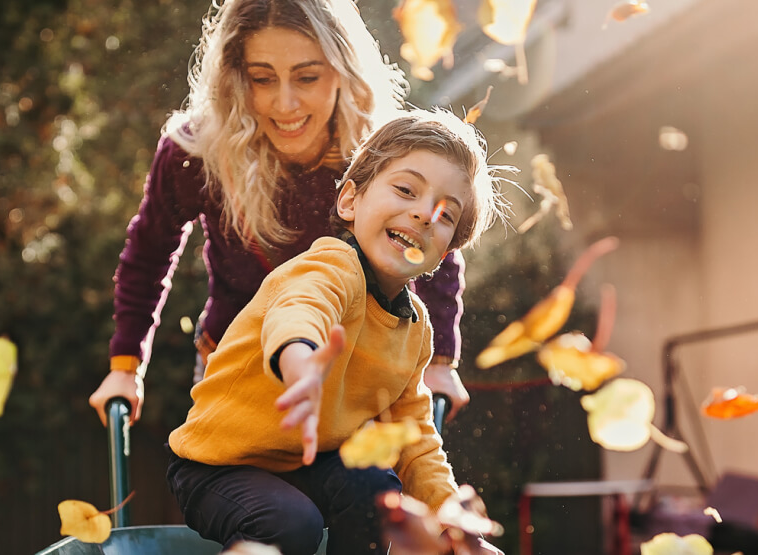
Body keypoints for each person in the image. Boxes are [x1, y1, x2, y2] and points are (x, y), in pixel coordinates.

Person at [88, 0, 475, 428]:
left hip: (357, 376)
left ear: (343, 71)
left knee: (365, 494)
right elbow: (148, 253)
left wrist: (440, 360)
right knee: (237, 495)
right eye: (262, 79)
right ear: (235, 78)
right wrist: (125, 366)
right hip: (235, 371)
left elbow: (428, 237)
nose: (285, 103)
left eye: (307, 77)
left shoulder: (383, 153)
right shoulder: (197, 152)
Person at [165, 110, 509, 555]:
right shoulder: (331, 266)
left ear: (444, 252)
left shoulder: (414, 329)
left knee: (376, 489)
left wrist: (454, 526)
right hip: (217, 465)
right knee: (291, 522)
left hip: (306, 464)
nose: (425, 213)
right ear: (349, 202)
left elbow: (415, 438)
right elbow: (300, 307)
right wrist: (300, 362)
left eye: (446, 215)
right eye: (406, 189)